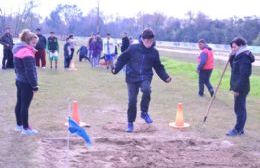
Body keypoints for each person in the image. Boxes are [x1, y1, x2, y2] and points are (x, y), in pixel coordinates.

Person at [112, 28, 172, 133]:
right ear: (142, 39)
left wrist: (165, 77)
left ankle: (144, 112)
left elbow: (158, 67)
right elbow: (122, 58)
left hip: (145, 76)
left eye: (151, 41)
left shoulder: (154, 52)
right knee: (132, 101)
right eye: (147, 41)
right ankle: (130, 123)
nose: (149, 43)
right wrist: (115, 69)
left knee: (147, 90)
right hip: (132, 76)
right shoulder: (133, 48)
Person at [12, 29, 39, 135]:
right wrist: (34, 85)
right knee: (24, 105)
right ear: (28, 41)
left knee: (19, 103)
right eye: (33, 43)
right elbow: (30, 71)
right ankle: (25, 129)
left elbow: (16, 68)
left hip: (19, 80)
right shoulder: (27, 53)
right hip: (26, 83)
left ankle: (19, 125)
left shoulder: (18, 50)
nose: (35, 45)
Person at [226, 37, 255, 137]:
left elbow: (244, 74)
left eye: (234, 47)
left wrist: (237, 89)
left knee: (240, 109)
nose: (232, 49)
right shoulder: (239, 55)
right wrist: (232, 57)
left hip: (241, 87)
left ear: (241, 45)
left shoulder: (244, 57)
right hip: (238, 86)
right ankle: (240, 129)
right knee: (238, 108)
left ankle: (238, 130)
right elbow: (235, 69)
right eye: (232, 48)